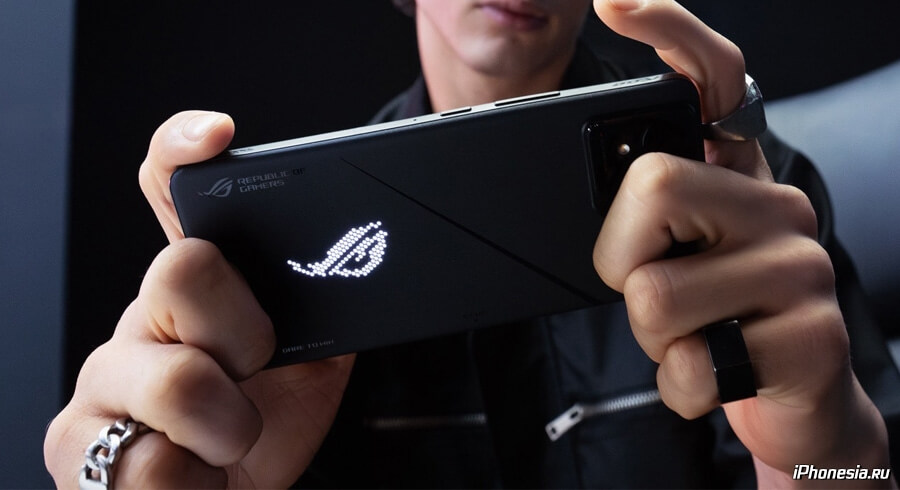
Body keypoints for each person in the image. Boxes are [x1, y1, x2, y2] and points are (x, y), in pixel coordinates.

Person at [45, 0, 896, 488]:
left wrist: (829, 462)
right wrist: (115, 468)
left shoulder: (744, 195)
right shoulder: (277, 259)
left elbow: (855, 477)